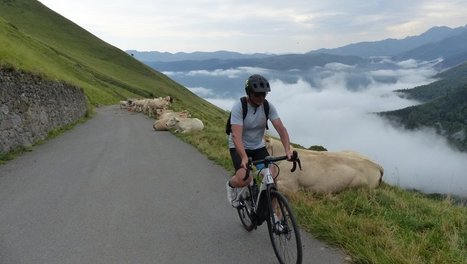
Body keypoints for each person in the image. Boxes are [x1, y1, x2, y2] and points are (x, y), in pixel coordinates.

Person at [226, 74, 293, 207]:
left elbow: (281, 129)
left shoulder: (267, 106)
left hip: (258, 146)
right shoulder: (239, 107)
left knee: (271, 179)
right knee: (244, 179)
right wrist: (244, 157)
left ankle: (273, 216)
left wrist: (288, 149)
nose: (261, 97)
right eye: (257, 95)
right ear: (249, 93)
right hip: (239, 147)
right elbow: (236, 136)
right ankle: (231, 186)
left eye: (264, 94)